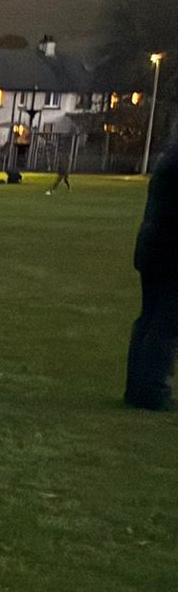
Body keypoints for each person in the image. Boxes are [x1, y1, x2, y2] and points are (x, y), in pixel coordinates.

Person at [126, 140, 178, 411]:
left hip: (153, 244)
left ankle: (139, 388)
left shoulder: (170, 154)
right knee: (166, 323)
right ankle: (153, 390)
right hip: (170, 248)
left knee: (149, 318)